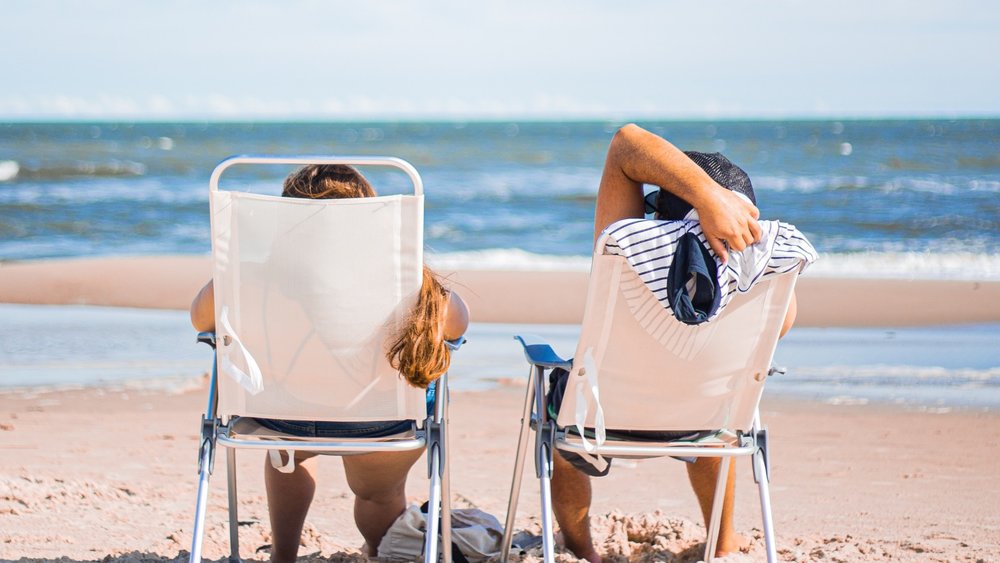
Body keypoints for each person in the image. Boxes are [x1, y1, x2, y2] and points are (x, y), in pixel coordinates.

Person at [551, 123, 813, 562]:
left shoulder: (624, 251)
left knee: (556, 405)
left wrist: (705, 197)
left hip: (602, 418)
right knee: (720, 391)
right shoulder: (766, 284)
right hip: (703, 422)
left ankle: (581, 549)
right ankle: (722, 541)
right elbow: (778, 324)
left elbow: (626, 143)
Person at [189, 164, 469, 563]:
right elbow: (457, 326)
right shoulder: (406, 281)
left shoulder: (250, 279)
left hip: (283, 416)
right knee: (377, 493)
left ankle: (284, 554)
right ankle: (378, 549)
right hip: (382, 423)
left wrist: (233, 280)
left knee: (287, 457)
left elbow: (201, 320)